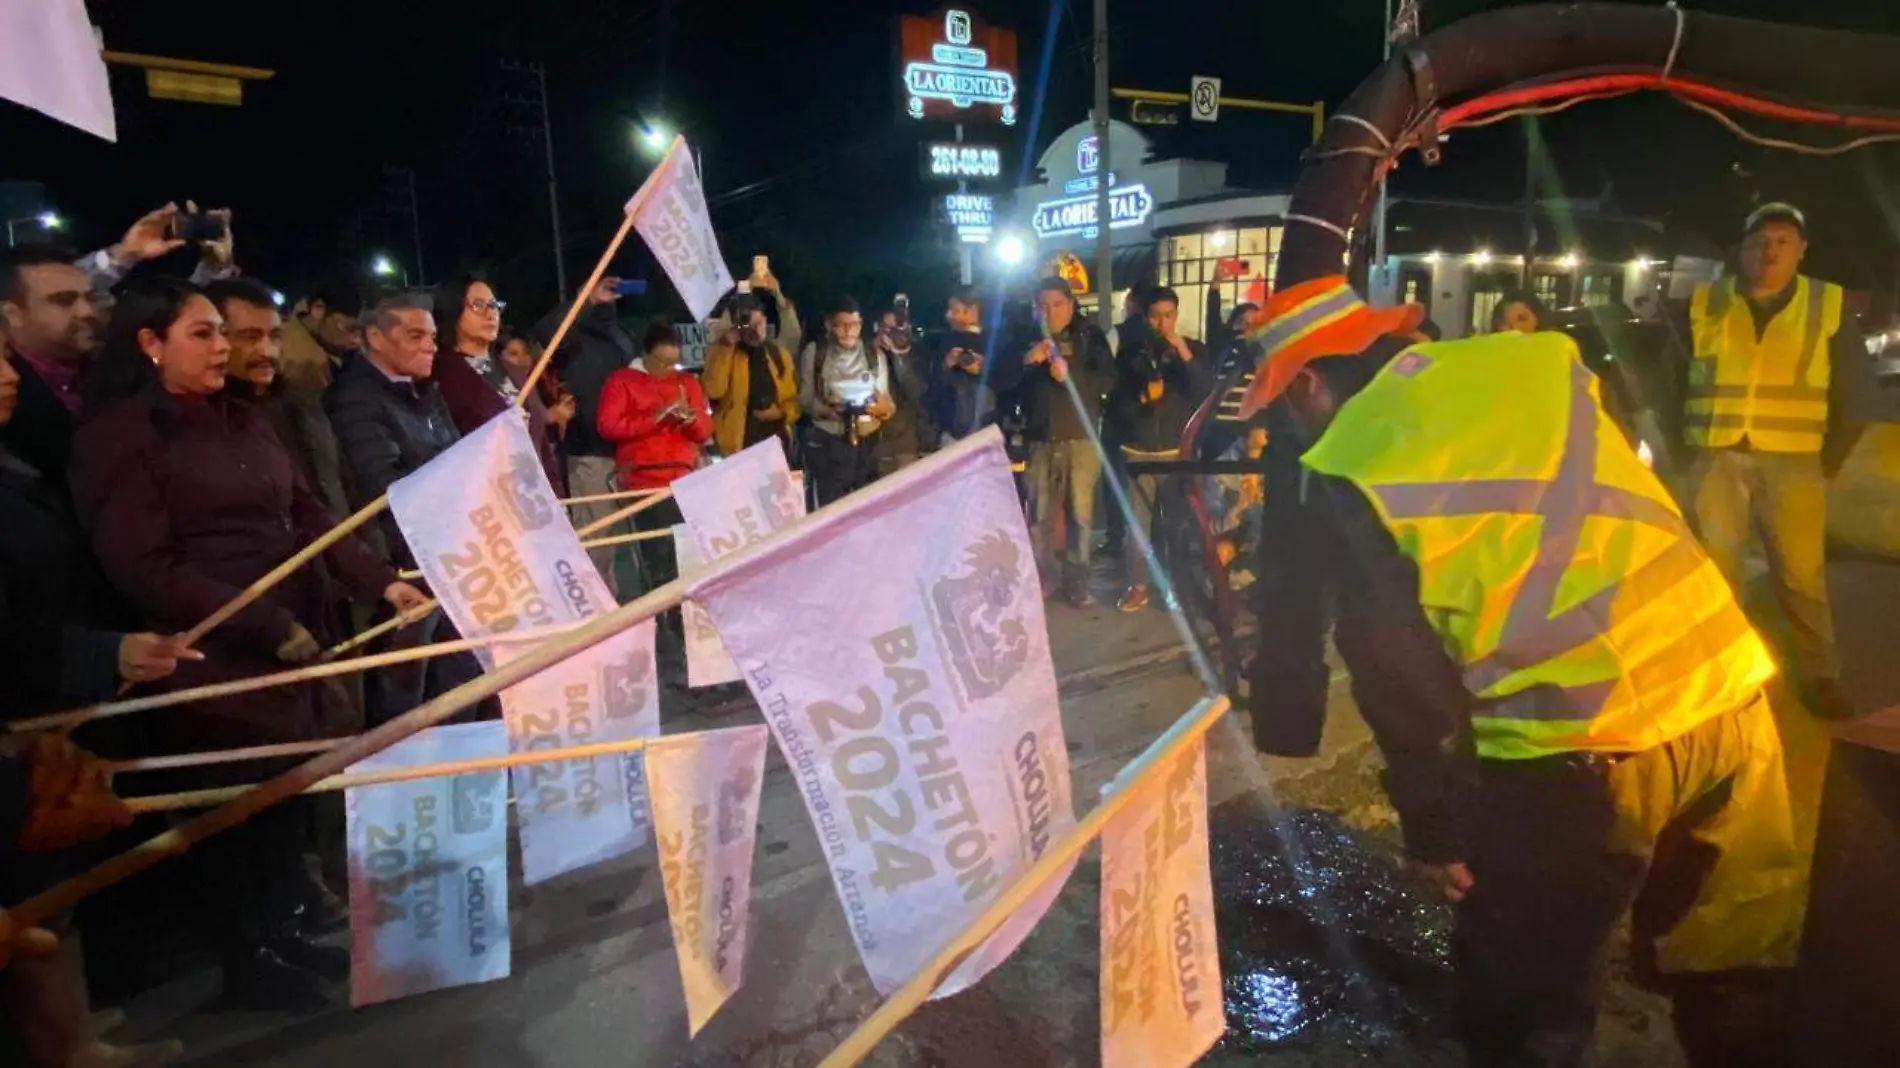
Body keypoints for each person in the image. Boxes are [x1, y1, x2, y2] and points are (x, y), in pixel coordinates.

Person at [1249, 275, 1805, 1068]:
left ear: (1307, 381)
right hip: (1727, 688)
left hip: (1580, 744)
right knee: (1733, 972)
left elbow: (1395, 671)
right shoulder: (1529, 365)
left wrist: (1437, 831)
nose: (1291, 425)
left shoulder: (1358, 460)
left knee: (1522, 1010)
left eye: (1283, 404)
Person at [68, 279, 428, 1012]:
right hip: (216, 658)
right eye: (203, 334)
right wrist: (267, 626)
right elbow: (146, 566)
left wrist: (382, 583)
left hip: (291, 650)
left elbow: (307, 519)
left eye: (220, 335)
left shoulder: (243, 420)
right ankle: (246, 957)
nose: (224, 348)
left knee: (281, 804)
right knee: (234, 814)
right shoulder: (122, 436)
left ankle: (283, 931)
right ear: (149, 343)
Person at [1683, 202, 1872, 719]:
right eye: (1759, 241)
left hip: (1793, 463)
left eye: (1783, 241)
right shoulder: (1706, 302)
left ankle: (1821, 676)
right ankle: (1721, 673)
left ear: (1802, 250)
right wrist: (1685, 453)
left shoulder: (1825, 304)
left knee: (1801, 577)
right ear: (1741, 250)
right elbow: (1670, 376)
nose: (1769, 251)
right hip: (1716, 456)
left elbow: (1855, 396)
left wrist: (1824, 463)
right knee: (1715, 576)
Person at [323, 292, 483, 726]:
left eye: (432, 336)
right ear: (375, 337)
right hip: (403, 568)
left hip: (449, 558)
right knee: (406, 697)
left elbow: (456, 454)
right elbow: (384, 485)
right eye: (415, 336)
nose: (430, 346)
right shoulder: (355, 400)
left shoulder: (424, 392)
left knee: (460, 679)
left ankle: (461, 772)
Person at [205, 279, 350, 518]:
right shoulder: (208, 423)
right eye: (250, 337)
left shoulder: (297, 402)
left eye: (274, 336)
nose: (267, 351)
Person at [1111, 286, 1212, 612]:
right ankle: (1138, 585)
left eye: (1168, 315)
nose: (1162, 323)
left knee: (1175, 525)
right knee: (1136, 526)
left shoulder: (1191, 350)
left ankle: (1175, 587)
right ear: (1145, 317)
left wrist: (1182, 351)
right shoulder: (1130, 353)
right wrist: (1139, 400)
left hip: (1173, 450)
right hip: (1138, 450)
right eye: (1156, 316)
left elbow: (1205, 390)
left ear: (1177, 315)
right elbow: (1114, 400)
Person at [1018, 277, 1115, 606]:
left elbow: (1108, 380)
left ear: (1071, 305)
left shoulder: (1089, 336)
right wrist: (1026, 362)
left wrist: (1068, 374)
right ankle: (1044, 577)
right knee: (1038, 515)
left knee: (1081, 516)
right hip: (1038, 439)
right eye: (1042, 306)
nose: (1050, 313)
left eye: (1057, 305)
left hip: (1080, 438)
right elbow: (1002, 383)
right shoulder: (1023, 337)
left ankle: (1077, 581)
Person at [596, 322, 712, 594]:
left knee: (688, 557)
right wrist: (656, 418)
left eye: (674, 363)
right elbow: (608, 426)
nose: (667, 370)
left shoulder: (687, 382)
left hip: (683, 480)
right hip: (644, 481)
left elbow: (705, 430)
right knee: (658, 560)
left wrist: (690, 421)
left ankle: (685, 619)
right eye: (662, 362)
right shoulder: (622, 380)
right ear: (645, 355)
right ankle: (664, 620)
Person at [531, 279, 631, 586]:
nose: (608, 297)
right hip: (590, 452)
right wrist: (585, 299)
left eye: (613, 292)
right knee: (594, 542)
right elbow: (547, 333)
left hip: (628, 453)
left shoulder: (623, 339)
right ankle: (595, 610)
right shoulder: (573, 338)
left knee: (625, 544)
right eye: (603, 290)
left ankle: (617, 609)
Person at [429, 275, 564, 493]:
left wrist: (557, 497)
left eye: (494, 305)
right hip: (487, 499)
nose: (490, 313)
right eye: (478, 305)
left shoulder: (512, 371)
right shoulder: (442, 374)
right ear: (452, 310)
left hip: (533, 496)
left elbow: (540, 441)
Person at [0, 245, 101, 488]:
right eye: (64, 301)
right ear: (13, 313)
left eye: (89, 298)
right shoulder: (6, 395)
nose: (87, 311)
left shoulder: (112, 369)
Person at [800, 296, 893, 505]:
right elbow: (805, 398)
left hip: (867, 442)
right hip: (830, 442)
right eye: (842, 325)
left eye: (854, 325)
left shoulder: (873, 354)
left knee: (868, 507)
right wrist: (829, 411)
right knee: (831, 508)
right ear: (829, 325)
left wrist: (878, 408)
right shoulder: (816, 353)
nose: (849, 331)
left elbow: (886, 399)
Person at [702, 288, 802, 461]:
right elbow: (713, 390)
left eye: (759, 324)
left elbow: (794, 400)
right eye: (749, 325)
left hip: (776, 444)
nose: (755, 331)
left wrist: (780, 413)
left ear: (764, 321)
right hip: (738, 447)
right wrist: (726, 345)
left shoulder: (777, 354)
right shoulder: (723, 351)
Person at [872, 299, 935, 476]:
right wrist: (874, 352)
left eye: (897, 329)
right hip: (876, 441)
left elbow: (915, 390)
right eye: (887, 328)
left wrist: (899, 356)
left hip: (907, 441)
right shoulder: (868, 354)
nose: (892, 334)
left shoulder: (918, 353)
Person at [926, 287, 995, 446]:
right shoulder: (945, 343)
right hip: (952, 433)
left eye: (954, 310)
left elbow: (1008, 380)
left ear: (972, 311)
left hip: (988, 432)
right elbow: (931, 387)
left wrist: (983, 369)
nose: (948, 315)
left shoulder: (995, 341)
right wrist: (946, 364)